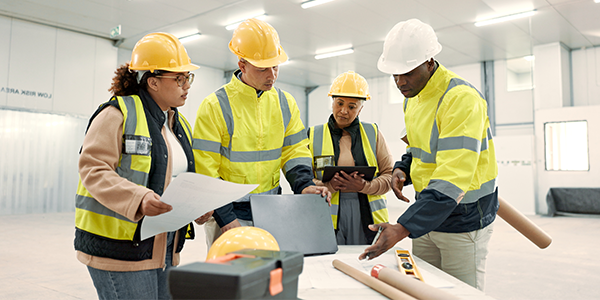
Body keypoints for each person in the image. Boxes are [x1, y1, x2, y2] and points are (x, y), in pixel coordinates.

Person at [359, 19, 499, 291]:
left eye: (407, 72)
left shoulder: (460, 99)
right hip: (428, 215)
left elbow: (452, 176)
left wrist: (403, 227)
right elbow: (418, 148)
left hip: (464, 219)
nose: (400, 82)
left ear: (430, 62)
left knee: (461, 295)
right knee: (423, 290)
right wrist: (403, 169)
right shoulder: (412, 97)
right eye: (394, 74)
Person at [74, 32, 209, 300]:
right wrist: (139, 198)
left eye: (188, 78)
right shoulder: (116, 114)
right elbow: (93, 169)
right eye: (179, 78)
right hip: (121, 248)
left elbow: (177, 180)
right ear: (153, 82)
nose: (187, 85)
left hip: (164, 246)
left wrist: (196, 207)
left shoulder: (179, 126)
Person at [192, 18, 331, 247]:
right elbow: (205, 168)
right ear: (242, 65)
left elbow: (294, 151)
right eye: (262, 68)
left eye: (275, 66)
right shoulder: (215, 105)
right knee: (230, 279)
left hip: (271, 211)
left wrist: (304, 184)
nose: (272, 75)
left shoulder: (285, 103)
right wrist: (226, 218)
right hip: (228, 215)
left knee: (270, 277)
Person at [308, 71, 393, 245]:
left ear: (361, 109)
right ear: (332, 102)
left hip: (365, 214)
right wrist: (328, 186)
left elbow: (390, 175)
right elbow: (303, 178)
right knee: (328, 263)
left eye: (352, 106)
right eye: (339, 103)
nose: (344, 111)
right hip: (326, 212)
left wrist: (365, 186)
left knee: (361, 261)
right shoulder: (313, 134)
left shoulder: (373, 133)